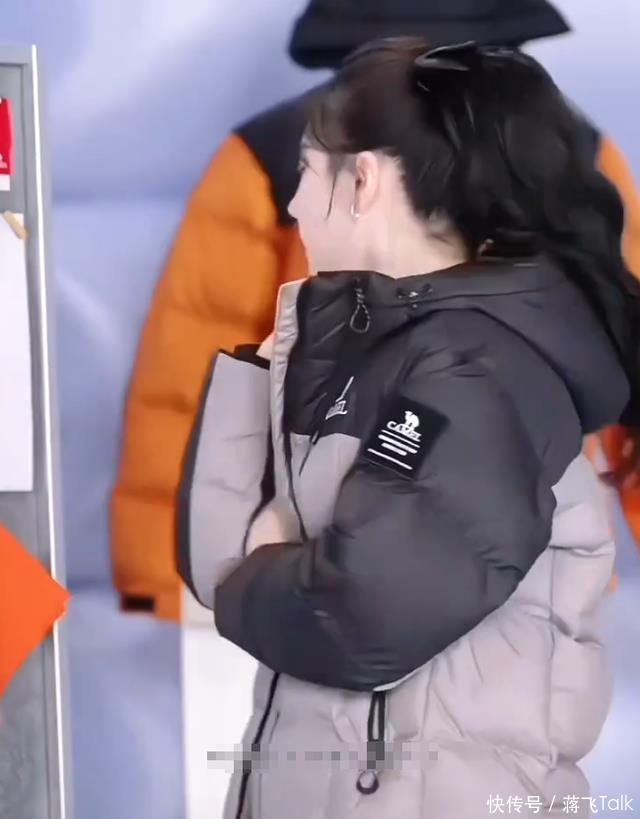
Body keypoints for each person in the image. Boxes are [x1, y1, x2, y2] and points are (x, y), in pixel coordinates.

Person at [178, 39, 640, 818]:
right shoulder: (370, 344)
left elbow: (357, 619)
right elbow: (220, 564)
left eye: (306, 172)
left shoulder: (478, 372)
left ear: (361, 180)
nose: (295, 205)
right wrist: (275, 559)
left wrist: (275, 561)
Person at [110, 0, 640, 622]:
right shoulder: (567, 148)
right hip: (490, 551)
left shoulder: (279, 150)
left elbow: (194, 378)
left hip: (345, 555)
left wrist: (182, 574)